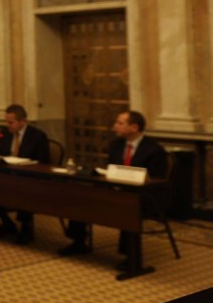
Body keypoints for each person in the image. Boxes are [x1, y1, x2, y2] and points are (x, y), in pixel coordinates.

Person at [59, 110, 168, 266]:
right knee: (83, 195)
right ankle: (78, 242)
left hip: (145, 194)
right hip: (118, 188)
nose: (114, 127)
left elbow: (156, 181)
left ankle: (132, 256)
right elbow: (112, 169)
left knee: (127, 204)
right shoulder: (116, 145)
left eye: (119, 123)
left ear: (134, 127)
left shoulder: (154, 150)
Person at [0, 104, 50, 244]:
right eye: (6, 121)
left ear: (23, 122)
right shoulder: (5, 134)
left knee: (24, 189)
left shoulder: (38, 136)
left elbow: (43, 162)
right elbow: (1, 155)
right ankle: (7, 223)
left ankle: (25, 227)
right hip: (7, 175)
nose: (7, 125)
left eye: (11, 122)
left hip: (29, 178)